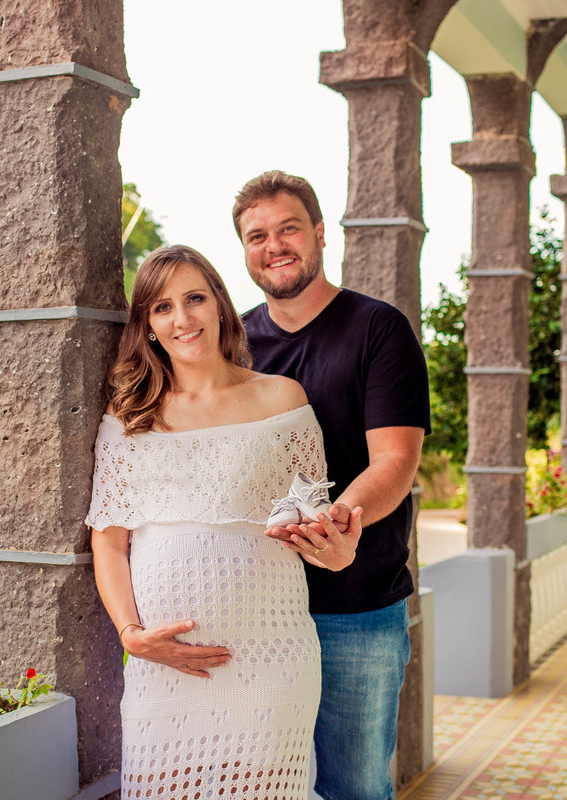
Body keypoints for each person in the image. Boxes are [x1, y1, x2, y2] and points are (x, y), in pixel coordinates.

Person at [85, 245, 363, 799]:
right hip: (163, 669)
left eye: (194, 298)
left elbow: (317, 532)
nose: (182, 318)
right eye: (162, 308)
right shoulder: (127, 415)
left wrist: (338, 551)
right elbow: (109, 541)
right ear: (147, 327)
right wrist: (132, 637)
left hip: (270, 660)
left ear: (219, 306)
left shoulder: (282, 400)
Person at [232, 172, 431, 800]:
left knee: (355, 787)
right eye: (256, 235)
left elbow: (395, 460)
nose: (275, 245)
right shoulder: (231, 343)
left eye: (288, 228)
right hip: (255, 607)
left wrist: (335, 526)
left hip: (357, 606)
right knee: (261, 783)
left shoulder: (379, 329)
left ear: (319, 233)